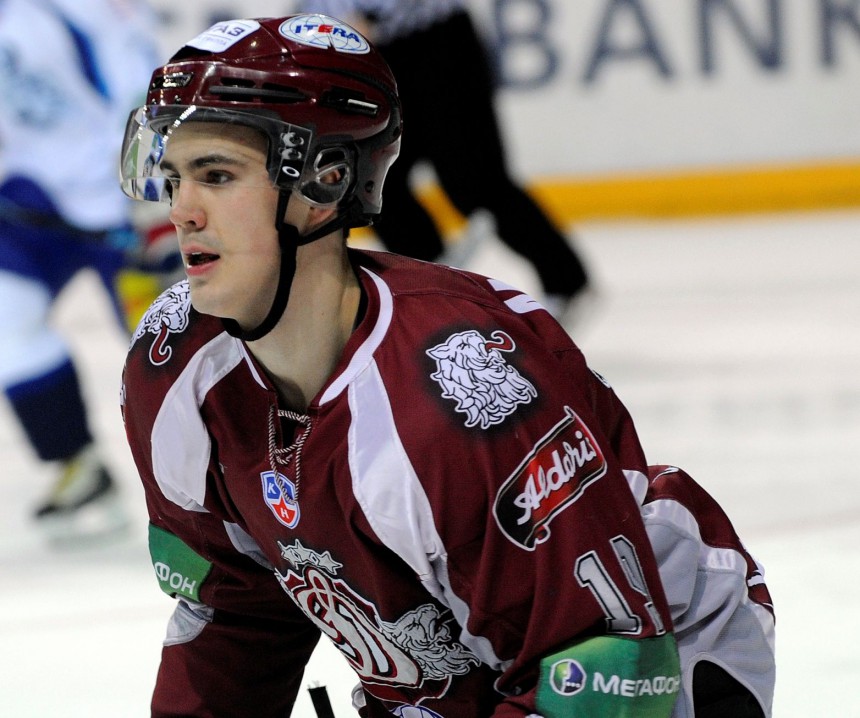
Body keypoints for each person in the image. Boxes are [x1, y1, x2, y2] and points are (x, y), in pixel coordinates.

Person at [119, 15, 775, 717]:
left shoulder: (462, 392)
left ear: (325, 182)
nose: (181, 212)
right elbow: (235, 609)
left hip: (658, 669)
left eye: (217, 175)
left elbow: (604, 669)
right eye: (173, 177)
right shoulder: (174, 367)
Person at [297, 0, 591, 324]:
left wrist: (371, 16)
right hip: (363, 56)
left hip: (435, 43)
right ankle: (433, 284)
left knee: (475, 180)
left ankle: (566, 280)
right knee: (372, 182)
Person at [0, 0, 165, 539]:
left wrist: (151, 195)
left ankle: (251, 475)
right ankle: (78, 464)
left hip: (121, 201)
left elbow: (145, 91)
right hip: (33, 195)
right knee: (5, 315)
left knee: (169, 348)